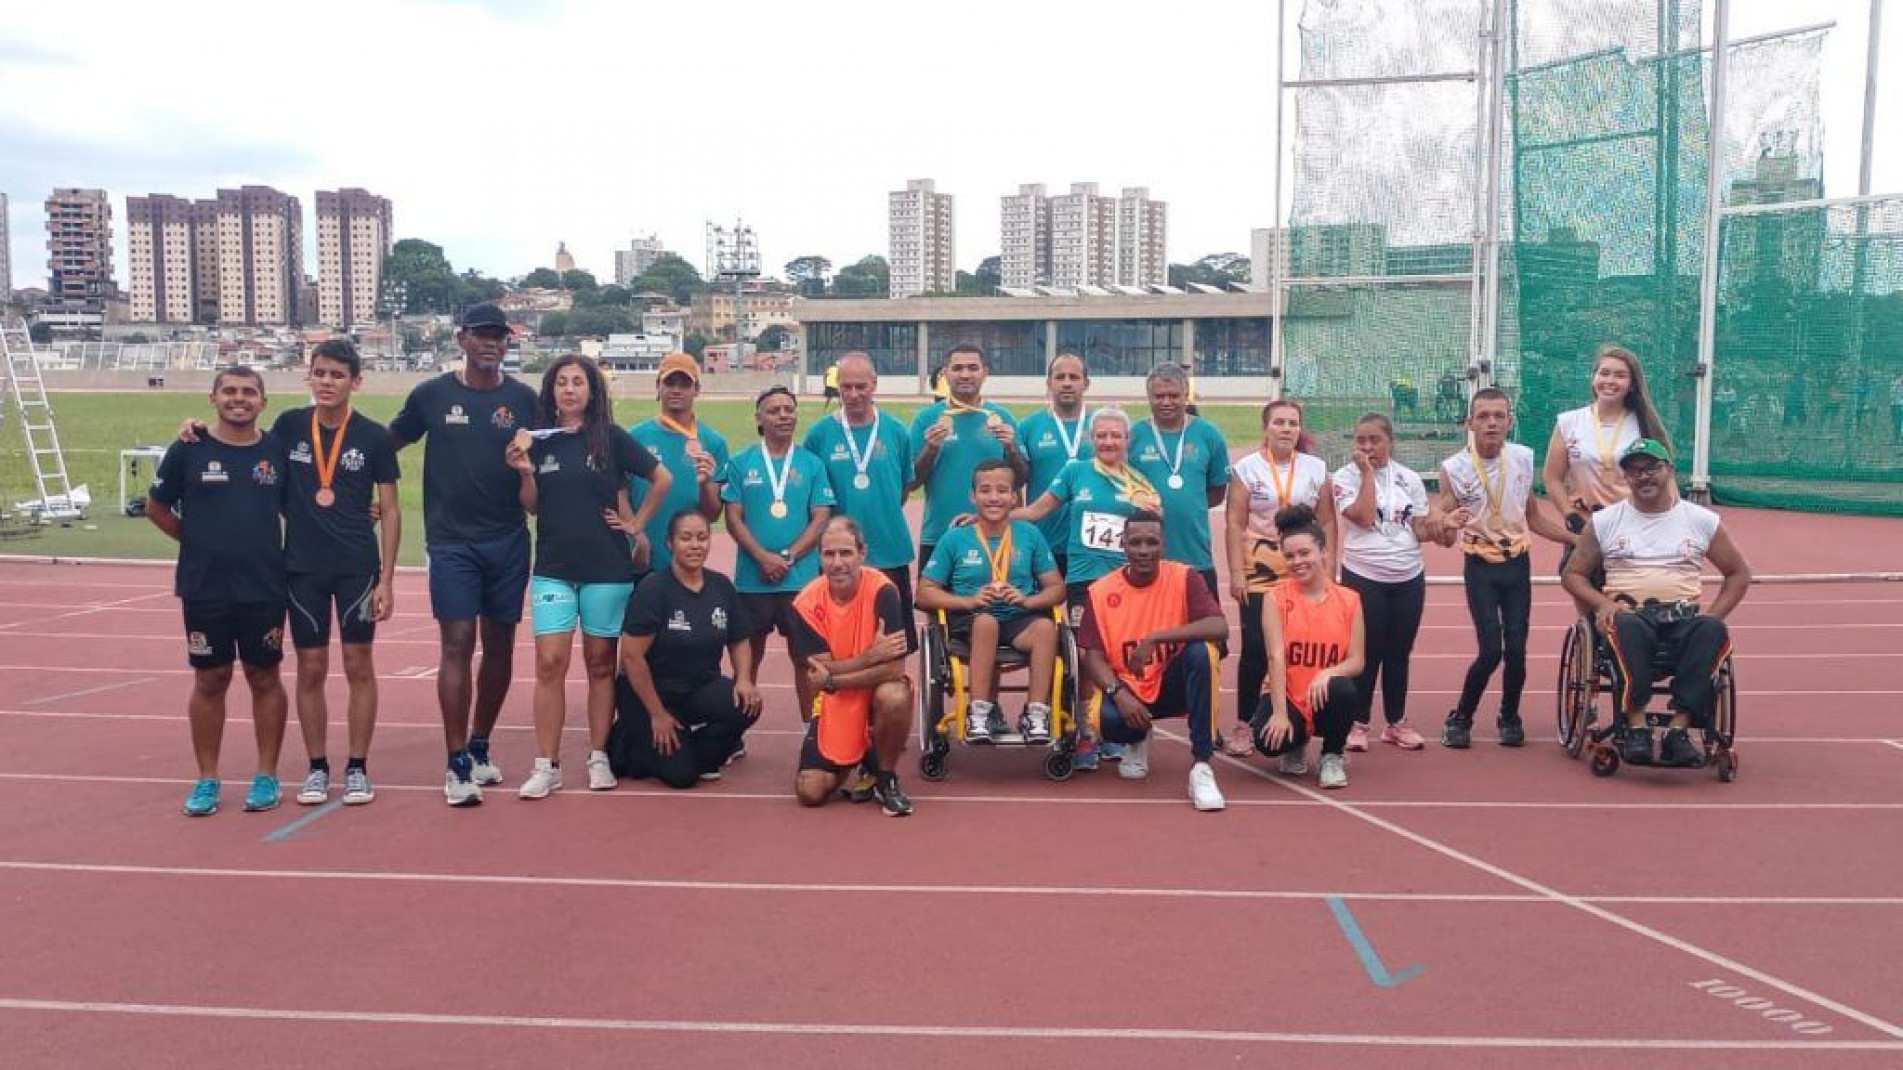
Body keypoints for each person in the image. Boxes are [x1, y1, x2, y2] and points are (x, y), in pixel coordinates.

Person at [390, 302, 540, 806]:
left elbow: (552, 456)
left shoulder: (523, 399)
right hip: (451, 542)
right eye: (481, 334)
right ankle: (455, 762)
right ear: (462, 339)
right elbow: (385, 443)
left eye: (499, 336)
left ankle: (479, 744)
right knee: (457, 642)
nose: (491, 343)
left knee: (500, 647)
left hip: (508, 539)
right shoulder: (432, 395)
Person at [508, 355, 667, 799]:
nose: (570, 389)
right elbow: (532, 505)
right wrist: (524, 473)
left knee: (600, 663)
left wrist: (636, 525)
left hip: (606, 570)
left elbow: (662, 478)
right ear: (551, 391)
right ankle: (547, 764)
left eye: (578, 382)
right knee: (549, 663)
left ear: (593, 391)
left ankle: (598, 756)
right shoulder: (538, 440)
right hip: (554, 569)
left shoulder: (611, 438)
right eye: (562, 382)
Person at [148, 366, 290, 816]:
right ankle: (207, 778)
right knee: (211, 678)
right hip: (205, 585)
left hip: (264, 585)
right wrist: (197, 542)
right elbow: (156, 508)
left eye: (249, 391)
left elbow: (301, 508)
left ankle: (267, 776)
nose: (239, 398)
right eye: (229, 390)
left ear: (263, 402)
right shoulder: (188, 447)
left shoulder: (277, 451)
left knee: (264, 676)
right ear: (213, 398)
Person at [1562, 439, 1752, 766]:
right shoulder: (1606, 521)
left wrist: (1713, 615)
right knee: (1626, 625)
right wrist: (1602, 604)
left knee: (1712, 629)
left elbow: (1738, 573)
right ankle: (1636, 726)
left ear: (1670, 470)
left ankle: (1679, 730)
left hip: (1682, 617)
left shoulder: (1702, 520)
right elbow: (1573, 574)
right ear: (1626, 477)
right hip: (1629, 615)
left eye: (1652, 468)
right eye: (1635, 471)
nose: (1644, 476)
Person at [274, 340, 401, 806]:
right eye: (320, 373)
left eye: (337, 375)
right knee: (310, 667)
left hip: (357, 569)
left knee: (357, 665)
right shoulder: (289, 426)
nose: (327, 382)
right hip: (301, 568)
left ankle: (357, 767)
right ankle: (316, 767)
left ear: (356, 382)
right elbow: (262, 472)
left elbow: (390, 509)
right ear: (308, 375)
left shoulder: (373, 437)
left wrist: (387, 579)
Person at [1013, 407, 1158, 767]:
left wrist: (1155, 511)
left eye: (1116, 436)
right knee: (1083, 655)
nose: (1108, 442)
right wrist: (989, 516)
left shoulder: (1139, 484)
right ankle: (1084, 733)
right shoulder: (1075, 471)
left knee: (1118, 656)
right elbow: (1036, 511)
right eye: (1102, 435)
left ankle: (1113, 730)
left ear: (1127, 440)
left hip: (1124, 584)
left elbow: (1154, 530)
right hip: (1084, 581)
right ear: (1091, 439)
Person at [1436, 387, 1575, 749]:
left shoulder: (1523, 459)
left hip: (1516, 564)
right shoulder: (1454, 468)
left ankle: (1509, 716)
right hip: (1480, 566)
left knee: (1516, 651)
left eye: (1499, 416)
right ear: (1469, 423)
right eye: (1483, 416)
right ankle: (1461, 717)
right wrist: (1446, 523)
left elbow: (1535, 518)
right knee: (1490, 650)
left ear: (1510, 422)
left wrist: (1577, 539)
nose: (1491, 423)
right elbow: (1444, 525)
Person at [1076, 511, 1230, 811]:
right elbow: (1091, 655)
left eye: (1151, 542)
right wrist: (1118, 694)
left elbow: (1219, 626)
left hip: (1171, 683)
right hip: (1130, 689)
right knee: (1107, 721)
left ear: (1164, 545)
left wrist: (1156, 638)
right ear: (1123, 545)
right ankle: (1137, 737)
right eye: (1135, 543)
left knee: (1202, 652)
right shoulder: (1101, 591)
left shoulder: (1184, 577)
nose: (1143, 550)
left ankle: (1201, 765)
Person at [608, 510, 765, 787]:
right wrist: (657, 714)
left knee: (748, 705)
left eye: (702, 537)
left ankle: (681, 749)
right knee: (681, 776)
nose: (695, 545)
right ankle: (628, 741)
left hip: (697, 687)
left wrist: (743, 678)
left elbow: (739, 639)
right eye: (686, 538)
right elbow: (632, 658)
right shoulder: (653, 589)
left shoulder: (721, 586)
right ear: (670, 543)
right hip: (649, 692)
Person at [916, 459, 1064, 743]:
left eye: (1002, 490)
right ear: (973, 496)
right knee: (986, 623)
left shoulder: (1030, 535)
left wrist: (1028, 601)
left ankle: (1036, 712)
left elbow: (1056, 588)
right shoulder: (955, 538)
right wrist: (969, 601)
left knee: (1046, 629)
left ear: (1014, 497)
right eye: (985, 490)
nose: (994, 497)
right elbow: (924, 592)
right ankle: (979, 712)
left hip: (1017, 616)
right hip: (971, 619)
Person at [1224, 398, 1335, 755]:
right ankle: (1244, 724)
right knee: (1257, 647)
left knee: (1300, 646)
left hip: (1302, 570)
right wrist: (1236, 573)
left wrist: (1329, 571)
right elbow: (1235, 522)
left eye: (1292, 423)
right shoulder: (1247, 469)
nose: (1286, 429)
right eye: (1279, 422)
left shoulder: (1316, 468)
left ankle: (1300, 717)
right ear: (1266, 427)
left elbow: (1327, 521)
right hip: (1260, 572)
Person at [789, 517, 917, 817]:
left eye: (845, 553)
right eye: (829, 554)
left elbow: (893, 670)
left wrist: (833, 680)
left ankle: (885, 777)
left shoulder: (884, 591)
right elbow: (817, 672)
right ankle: (857, 759)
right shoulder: (805, 603)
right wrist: (870, 657)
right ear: (819, 557)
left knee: (895, 695)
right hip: (837, 703)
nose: (837, 563)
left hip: (867, 694)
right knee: (809, 791)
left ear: (862, 553)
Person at [724, 386, 835, 724]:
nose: (783, 416)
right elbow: (733, 518)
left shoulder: (811, 463)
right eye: (774, 410)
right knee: (747, 662)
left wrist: (787, 558)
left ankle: (811, 733)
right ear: (759, 418)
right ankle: (734, 735)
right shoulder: (741, 462)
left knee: (806, 660)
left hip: (800, 581)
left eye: (789, 409)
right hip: (752, 581)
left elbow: (821, 517)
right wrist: (762, 557)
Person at [1332, 414, 1437, 753]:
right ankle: (1358, 722)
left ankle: (1396, 722)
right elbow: (1363, 517)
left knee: (1399, 653)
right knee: (1366, 651)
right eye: (1360, 440)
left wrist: (1444, 525)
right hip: (1364, 574)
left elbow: (1419, 528)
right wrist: (1366, 473)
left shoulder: (1409, 478)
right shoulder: (1344, 478)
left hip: (1408, 575)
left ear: (1390, 442)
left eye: (1374, 440)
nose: (1366, 447)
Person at [803, 351, 918, 647]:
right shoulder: (819, 434)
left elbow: (904, 486)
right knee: (839, 641)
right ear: (838, 386)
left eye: (861, 386)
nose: (853, 395)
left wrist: (882, 509)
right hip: (839, 555)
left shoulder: (896, 431)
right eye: (846, 387)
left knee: (894, 642)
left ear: (874, 384)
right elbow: (811, 496)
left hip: (889, 549)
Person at [1250, 505, 1365, 789]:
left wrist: (1327, 673)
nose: (1297, 561)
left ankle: (1332, 755)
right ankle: (1296, 742)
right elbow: (1275, 657)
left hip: (1324, 695)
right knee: (1267, 741)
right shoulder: (1275, 599)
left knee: (1343, 689)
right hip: (1288, 695)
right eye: (1290, 556)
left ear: (1323, 552)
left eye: (1305, 553)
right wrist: (1279, 714)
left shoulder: (1349, 600)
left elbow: (1357, 660)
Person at [1541, 344, 1672, 554]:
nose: (1610, 381)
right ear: (1593, 378)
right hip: (1586, 525)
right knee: (1578, 574)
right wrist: (1571, 516)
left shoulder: (1644, 424)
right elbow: (1552, 478)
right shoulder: (1569, 422)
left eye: (1620, 375)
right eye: (1604, 373)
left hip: (1634, 527)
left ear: (1632, 385)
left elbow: (1665, 478)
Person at [909, 343, 1024, 572]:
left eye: (973, 368)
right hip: (939, 534)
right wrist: (931, 449)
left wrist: (1011, 448)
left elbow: (1020, 479)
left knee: (996, 595)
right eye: (957, 368)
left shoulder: (1002, 417)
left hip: (994, 535)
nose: (965, 374)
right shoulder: (927, 419)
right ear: (945, 373)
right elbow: (912, 482)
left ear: (985, 372)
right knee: (932, 595)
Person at [1131, 361, 1232, 600]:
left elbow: (1218, 490)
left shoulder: (1209, 434)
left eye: (1174, 396)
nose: (1166, 402)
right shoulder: (1134, 436)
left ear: (1186, 395)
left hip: (1196, 554)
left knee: (1206, 621)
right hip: (1146, 556)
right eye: (1159, 396)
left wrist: (1190, 504)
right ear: (1149, 397)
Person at [628, 351, 731, 574]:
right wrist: (636, 534)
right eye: (669, 382)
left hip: (686, 565)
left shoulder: (714, 443)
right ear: (658, 386)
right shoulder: (634, 437)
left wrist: (705, 484)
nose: (676, 390)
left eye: (684, 384)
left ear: (697, 389)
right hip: (639, 558)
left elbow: (713, 514)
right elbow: (620, 496)